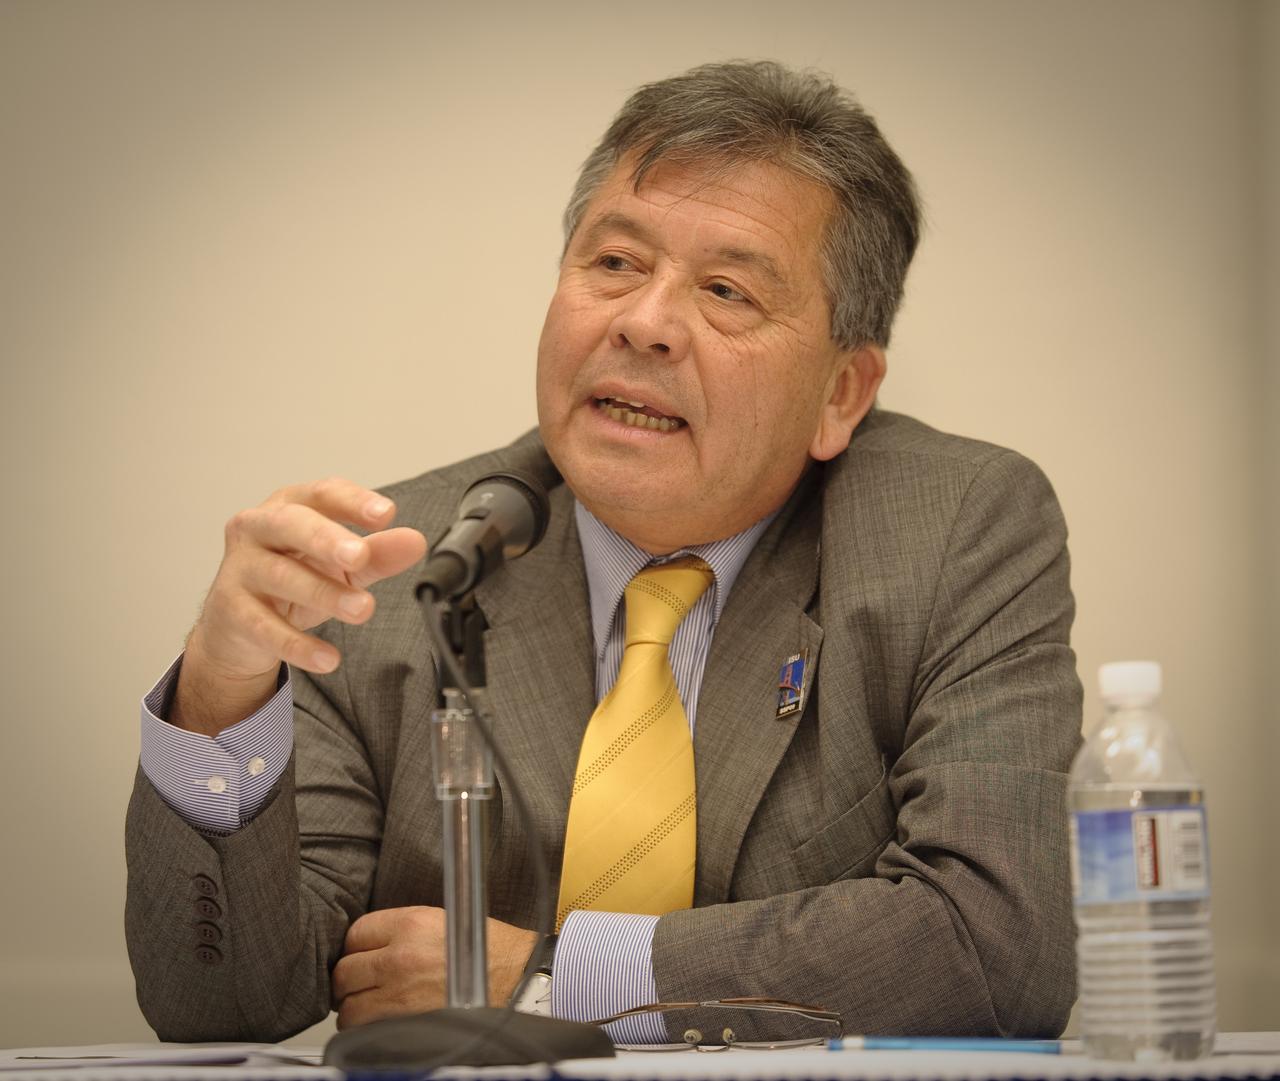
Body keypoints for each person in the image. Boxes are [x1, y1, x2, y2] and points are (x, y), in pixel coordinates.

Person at [126, 60, 1083, 1044]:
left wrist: (551, 978)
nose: (643, 323)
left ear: (843, 390)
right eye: (614, 264)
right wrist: (222, 694)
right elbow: (219, 1005)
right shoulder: (405, 563)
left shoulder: (953, 527)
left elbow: (996, 946)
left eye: (724, 290)